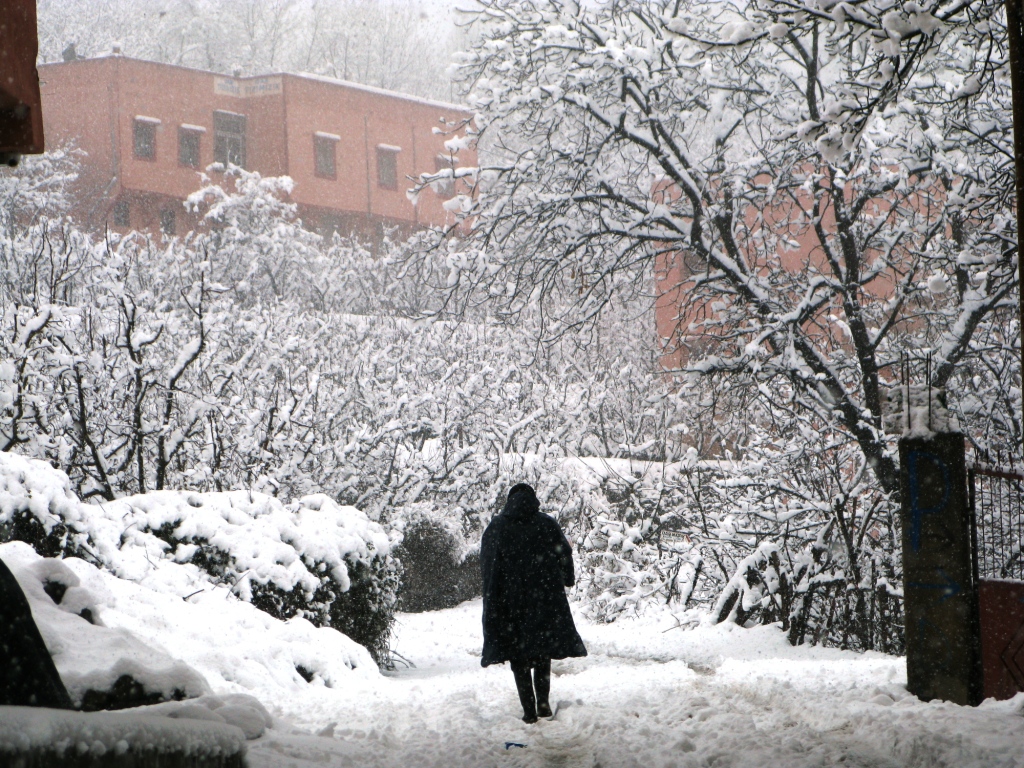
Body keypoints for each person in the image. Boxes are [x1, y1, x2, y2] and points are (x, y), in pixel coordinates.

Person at [480, 483, 587, 723]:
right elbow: (564, 553)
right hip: (544, 600)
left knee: (518, 656)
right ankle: (543, 705)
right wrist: (566, 579)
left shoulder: (498, 527)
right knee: (541, 654)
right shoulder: (546, 524)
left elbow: (488, 562)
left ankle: (529, 711)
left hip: (511, 604)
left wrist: (493, 592)